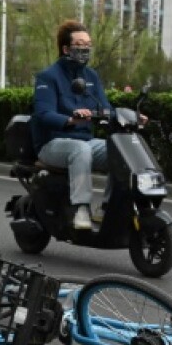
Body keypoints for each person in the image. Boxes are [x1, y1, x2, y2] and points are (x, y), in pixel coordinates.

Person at [30, 20, 112, 231]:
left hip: (86, 141)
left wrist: (131, 118)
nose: (85, 49)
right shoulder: (48, 76)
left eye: (88, 44)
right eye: (80, 44)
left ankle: (107, 208)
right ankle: (80, 209)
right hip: (52, 143)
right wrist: (69, 120)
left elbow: (105, 108)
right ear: (66, 49)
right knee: (80, 150)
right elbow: (43, 113)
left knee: (119, 150)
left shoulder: (91, 76)